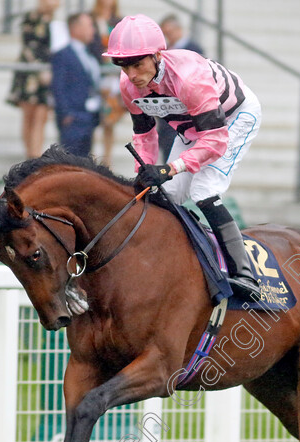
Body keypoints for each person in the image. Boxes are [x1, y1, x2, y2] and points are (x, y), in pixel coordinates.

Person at [104, 14, 261, 301]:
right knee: (163, 194)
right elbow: (144, 134)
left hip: (232, 119)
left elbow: (214, 140)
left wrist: (170, 167)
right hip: (192, 129)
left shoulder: (190, 78)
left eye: (138, 65)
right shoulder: (129, 86)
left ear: (157, 55)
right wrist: (146, 171)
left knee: (204, 190)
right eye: (125, 67)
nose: (133, 75)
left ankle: (244, 273)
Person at [6, 0, 68, 159]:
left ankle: (35, 153)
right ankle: (30, 154)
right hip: (30, 72)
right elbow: (28, 44)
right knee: (29, 113)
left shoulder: (58, 21)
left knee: (42, 114)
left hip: (50, 72)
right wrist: (39, 69)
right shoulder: (32, 17)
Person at [51, 12, 102, 157]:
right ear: (76, 28)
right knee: (71, 159)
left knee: (85, 161)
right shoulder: (63, 55)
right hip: (73, 117)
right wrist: (66, 113)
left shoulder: (89, 54)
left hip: (89, 116)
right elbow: (58, 86)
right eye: (89, 26)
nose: (93, 30)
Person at [157, 14, 205, 162]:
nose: (167, 37)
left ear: (178, 30)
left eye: (169, 33)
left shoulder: (193, 50)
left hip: (186, 111)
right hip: (168, 114)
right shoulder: (163, 52)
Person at [87, 0, 125, 166]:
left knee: (109, 118)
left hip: (113, 75)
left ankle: (106, 158)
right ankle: (91, 155)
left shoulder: (118, 21)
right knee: (93, 118)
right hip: (96, 71)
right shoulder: (91, 19)